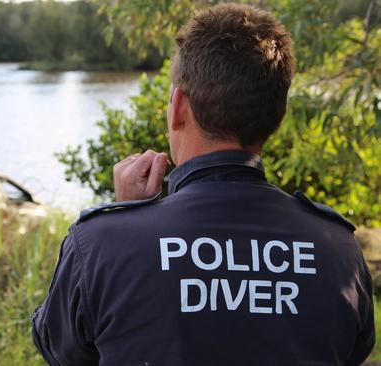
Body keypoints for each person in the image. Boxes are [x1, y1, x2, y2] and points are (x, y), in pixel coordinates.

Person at [31, 3, 375, 365]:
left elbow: (60, 349)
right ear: (278, 114)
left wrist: (125, 215)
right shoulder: (338, 249)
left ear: (179, 106)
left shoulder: (101, 242)